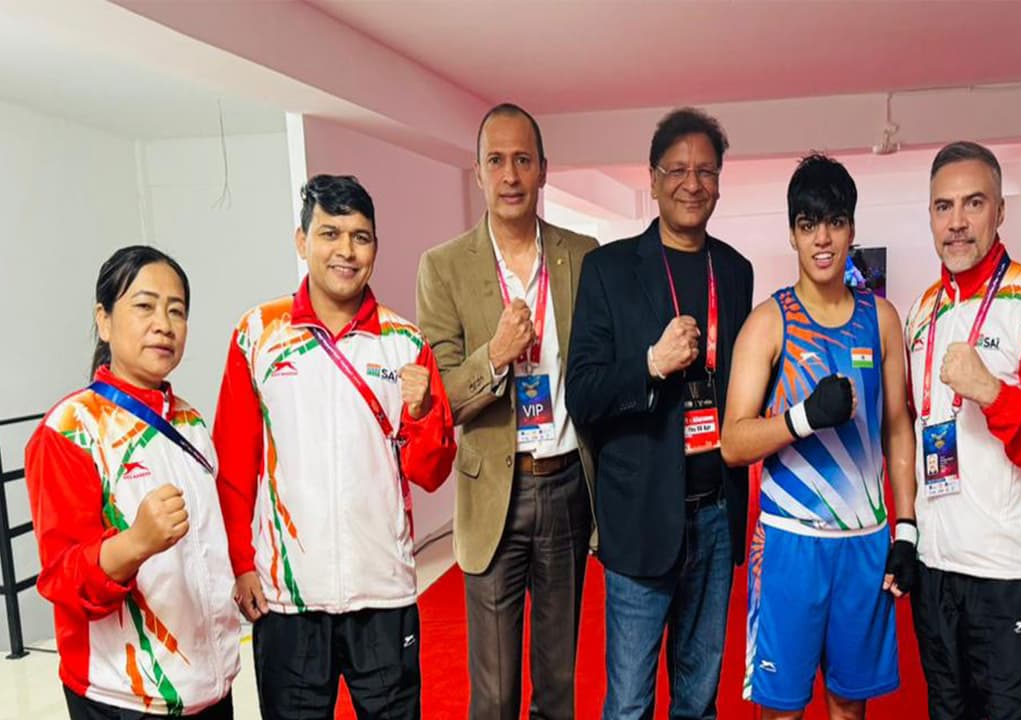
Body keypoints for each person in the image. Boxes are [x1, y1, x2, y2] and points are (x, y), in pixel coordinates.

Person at [213, 175, 456, 720]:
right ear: (301, 242)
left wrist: (422, 416)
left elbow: (433, 471)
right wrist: (242, 564)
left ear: (375, 246)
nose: (346, 251)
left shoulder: (404, 343)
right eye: (329, 233)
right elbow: (234, 464)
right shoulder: (258, 335)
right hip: (288, 598)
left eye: (360, 236)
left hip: (383, 593)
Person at [565, 107, 753, 720]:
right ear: (652, 178)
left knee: (699, 700)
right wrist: (649, 363)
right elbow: (584, 394)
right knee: (629, 703)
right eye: (678, 169)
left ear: (720, 180)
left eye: (706, 170)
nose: (692, 183)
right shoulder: (609, 269)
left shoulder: (735, 270)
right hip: (641, 517)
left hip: (717, 515)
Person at [416, 103, 597, 720]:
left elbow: (600, 373)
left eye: (523, 160)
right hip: (496, 489)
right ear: (478, 174)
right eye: (497, 161)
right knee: (492, 696)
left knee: (558, 685)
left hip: (569, 484)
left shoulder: (583, 255)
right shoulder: (442, 268)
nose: (511, 175)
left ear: (544, 169)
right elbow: (440, 395)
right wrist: (494, 356)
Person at [720, 154, 917, 720]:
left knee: (848, 705)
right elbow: (733, 442)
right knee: (782, 709)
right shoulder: (769, 322)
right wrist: (802, 417)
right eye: (808, 225)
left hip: (864, 541)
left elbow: (898, 425)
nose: (822, 239)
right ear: (792, 233)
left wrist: (905, 529)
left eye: (834, 222)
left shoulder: (881, 319)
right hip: (790, 545)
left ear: (852, 228)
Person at [902, 141, 1021, 719]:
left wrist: (994, 394)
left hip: (1012, 574)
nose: (956, 223)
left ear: (1000, 211)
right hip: (937, 568)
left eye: (973, 203)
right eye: (943, 207)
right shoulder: (921, 311)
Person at [25, 246, 240, 718]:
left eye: (176, 310)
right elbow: (62, 578)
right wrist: (137, 542)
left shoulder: (190, 423)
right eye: (144, 306)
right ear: (103, 320)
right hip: (124, 696)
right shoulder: (70, 430)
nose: (163, 323)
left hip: (211, 688)